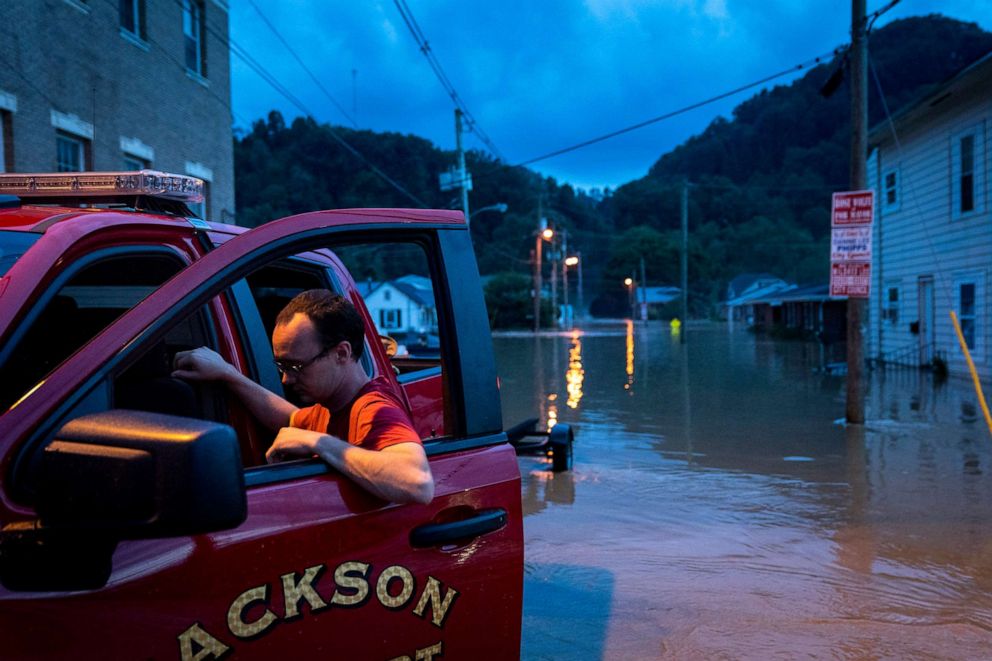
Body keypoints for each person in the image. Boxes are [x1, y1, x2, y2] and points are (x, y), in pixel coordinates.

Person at [171, 289, 434, 505]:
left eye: (295, 367)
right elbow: (290, 419)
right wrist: (228, 374)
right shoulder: (332, 404)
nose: (286, 379)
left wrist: (318, 442)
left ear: (341, 353)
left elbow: (417, 483)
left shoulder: (374, 408)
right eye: (282, 367)